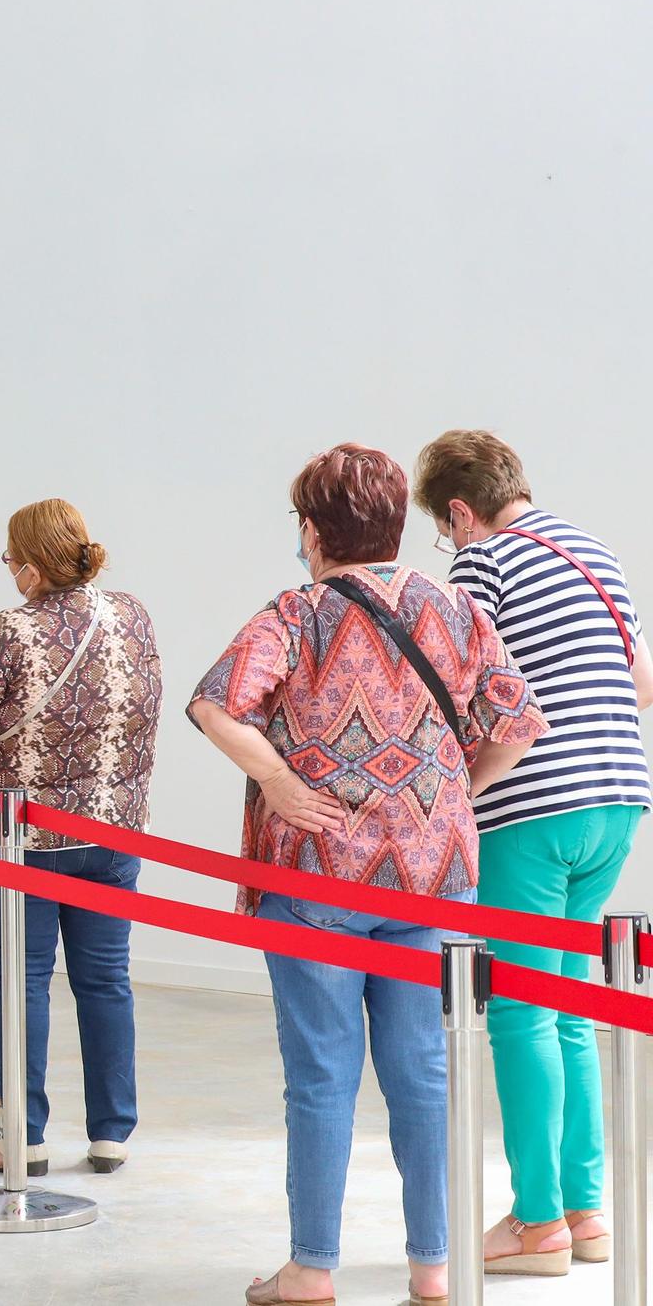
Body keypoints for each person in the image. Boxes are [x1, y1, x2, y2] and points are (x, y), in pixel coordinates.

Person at [189, 444, 547, 1306]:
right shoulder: (455, 607)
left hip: (318, 875)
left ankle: (313, 1268)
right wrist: (459, 787)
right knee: (422, 1069)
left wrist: (279, 779)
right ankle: (434, 1264)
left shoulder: (297, 611)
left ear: (313, 530)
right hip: (435, 877)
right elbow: (518, 721)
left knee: (320, 1074)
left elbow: (214, 702)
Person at [414, 430, 653, 1273]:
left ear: (458, 510)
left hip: (532, 806)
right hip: (620, 796)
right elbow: (644, 682)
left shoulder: (485, 563)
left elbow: (453, 688)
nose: (450, 546)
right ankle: (587, 1215)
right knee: (570, 1005)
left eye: (444, 532)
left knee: (518, 1011)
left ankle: (538, 1223)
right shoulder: (596, 551)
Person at [0, 498, 160, 1176]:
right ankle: (112, 1131)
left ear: (29, 567)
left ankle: (25, 1137)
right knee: (107, 980)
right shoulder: (131, 615)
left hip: (24, 838)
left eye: (8, 559)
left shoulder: (10, 630)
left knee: (23, 983)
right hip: (114, 831)